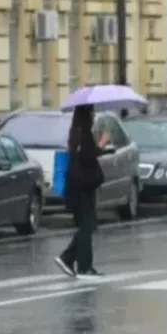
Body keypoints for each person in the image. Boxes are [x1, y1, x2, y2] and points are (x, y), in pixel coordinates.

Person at [54, 105, 110, 278]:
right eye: (92, 111)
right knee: (88, 225)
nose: (94, 114)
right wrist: (102, 143)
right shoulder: (84, 133)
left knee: (87, 225)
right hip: (83, 187)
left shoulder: (76, 132)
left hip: (77, 186)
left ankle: (84, 265)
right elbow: (87, 156)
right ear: (87, 114)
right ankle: (68, 258)